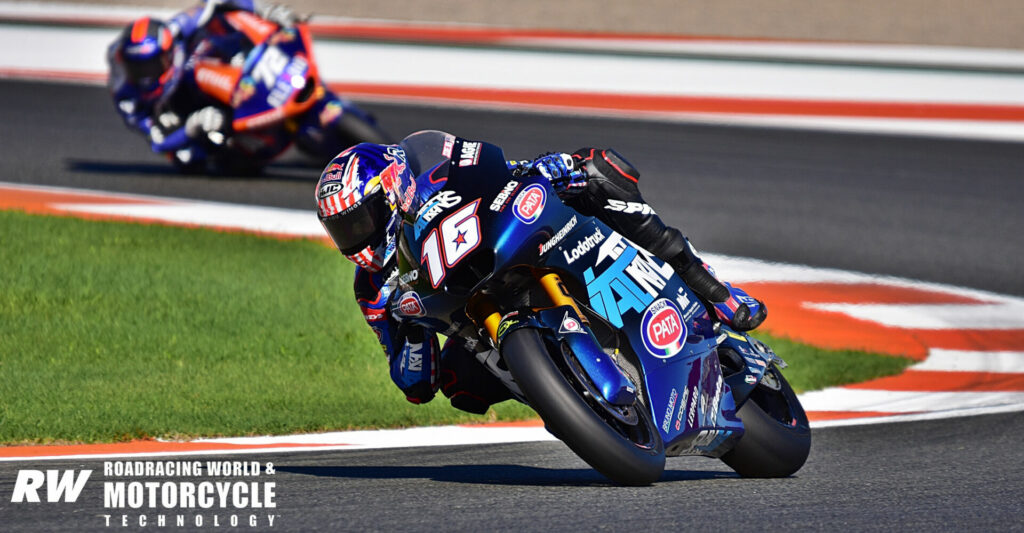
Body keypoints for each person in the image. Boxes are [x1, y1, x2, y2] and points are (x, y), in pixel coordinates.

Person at [315, 131, 767, 413]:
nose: (354, 237)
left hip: (510, 244)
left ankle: (711, 288)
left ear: (390, 190)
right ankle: (566, 398)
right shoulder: (372, 287)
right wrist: (409, 327)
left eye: (359, 220)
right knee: (459, 384)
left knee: (595, 167)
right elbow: (415, 383)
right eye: (342, 230)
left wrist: (542, 169)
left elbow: (491, 170)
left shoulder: (433, 172)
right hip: (472, 314)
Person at [105, 0, 314, 171]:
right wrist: (190, 127)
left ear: (167, 54)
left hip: (208, 65)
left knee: (228, 19)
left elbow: (215, 2)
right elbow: (157, 140)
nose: (145, 76)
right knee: (189, 159)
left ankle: (262, 73)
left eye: (150, 67)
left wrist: (264, 10)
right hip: (183, 115)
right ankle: (242, 141)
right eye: (137, 69)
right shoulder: (127, 97)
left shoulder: (176, 27)